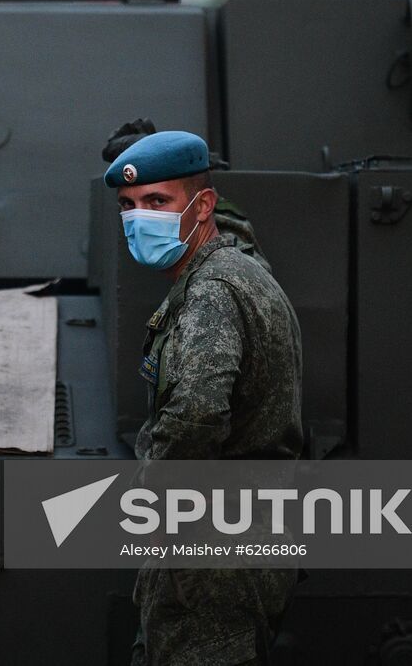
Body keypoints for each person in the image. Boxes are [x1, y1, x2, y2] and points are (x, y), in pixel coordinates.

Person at [105, 130, 303, 666]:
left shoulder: (211, 291)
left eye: (157, 201)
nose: (139, 218)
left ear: (203, 205)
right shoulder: (242, 271)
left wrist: (147, 499)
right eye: (128, 205)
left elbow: (194, 416)